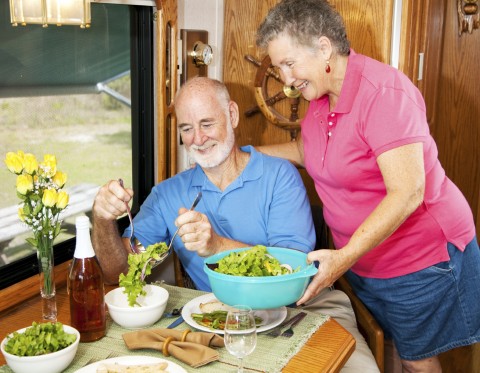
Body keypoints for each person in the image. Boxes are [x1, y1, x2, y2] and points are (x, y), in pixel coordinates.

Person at [255, 1, 480, 372]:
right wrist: (246, 155)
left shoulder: (384, 93)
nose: (285, 78)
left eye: (288, 63)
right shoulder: (322, 94)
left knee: (417, 363)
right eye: (279, 67)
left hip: (419, 257)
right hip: (366, 258)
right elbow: (307, 149)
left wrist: (342, 258)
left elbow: (407, 193)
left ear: (324, 49)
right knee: (388, 350)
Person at [91, 76, 315, 292]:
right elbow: (118, 273)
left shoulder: (279, 176)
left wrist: (217, 246)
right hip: (218, 320)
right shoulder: (167, 195)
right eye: (187, 129)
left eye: (207, 124)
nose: (198, 139)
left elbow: (291, 273)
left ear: (232, 115)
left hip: (294, 313)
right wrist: (103, 219)